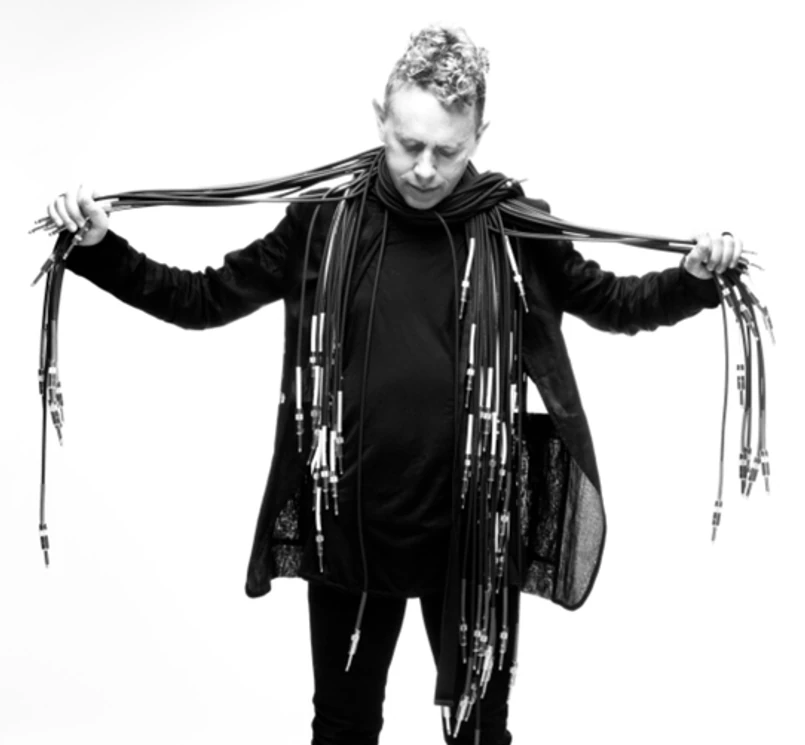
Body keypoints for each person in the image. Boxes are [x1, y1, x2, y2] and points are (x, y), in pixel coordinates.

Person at [44, 25, 743, 745]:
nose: (424, 169)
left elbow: (615, 303)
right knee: (343, 728)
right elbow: (202, 299)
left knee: (479, 733)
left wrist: (693, 280)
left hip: (473, 530)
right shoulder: (323, 222)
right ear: (379, 117)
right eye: (409, 144)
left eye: (448, 150)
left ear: (479, 135)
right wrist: (101, 249)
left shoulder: (513, 230)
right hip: (350, 523)